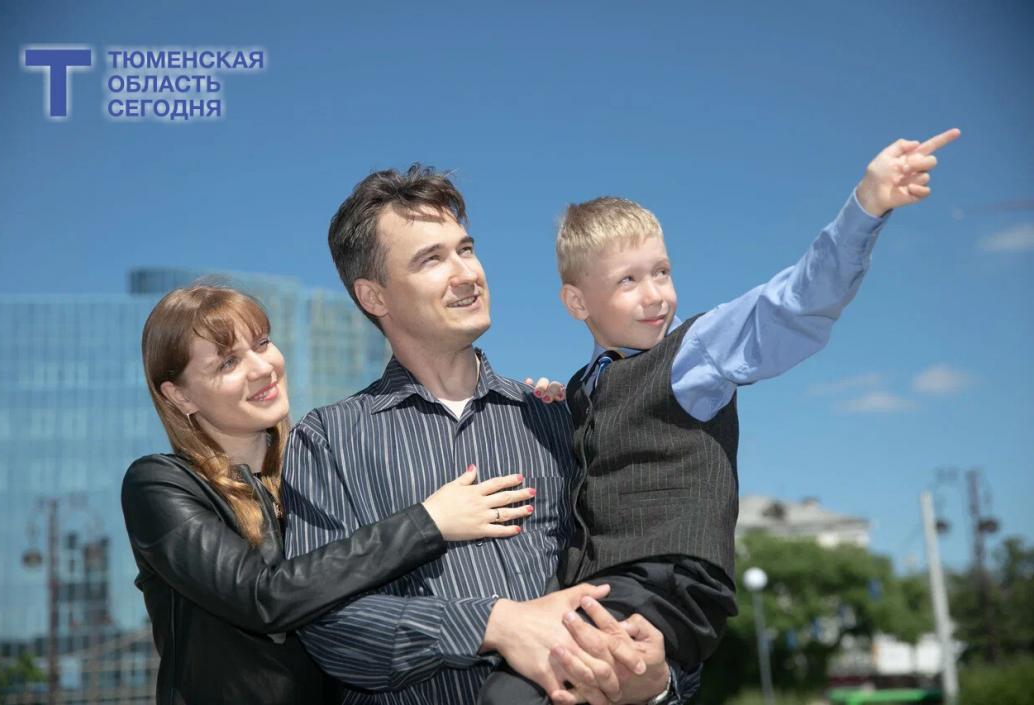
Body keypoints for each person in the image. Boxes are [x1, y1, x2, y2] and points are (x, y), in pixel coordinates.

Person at [478, 128, 963, 704]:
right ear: (577, 302)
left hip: (669, 583)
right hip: (601, 589)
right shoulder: (581, 390)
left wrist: (867, 206)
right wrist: (556, 411)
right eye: (628, 280)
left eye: (661, 271)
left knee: (513, 694)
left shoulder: (696, 353)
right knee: (513, 681)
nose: (655, 294)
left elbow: (794, 303)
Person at [283, 167, 693, 705]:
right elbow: (325, 625)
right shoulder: (327, 440)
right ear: (374, 296)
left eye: (467, 250)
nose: (466, 274)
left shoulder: (561, 417)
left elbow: (653, 580)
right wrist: (494, 623)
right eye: (431, 259)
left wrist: (661, 686)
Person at [121, 285, 537, 705]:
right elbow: (262, 598)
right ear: (180, 395)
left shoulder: (321, 464)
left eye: (262, 343)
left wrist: (533, 410)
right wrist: (428, 522)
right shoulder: (159, 484)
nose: (261, 368)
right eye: (228, 362)